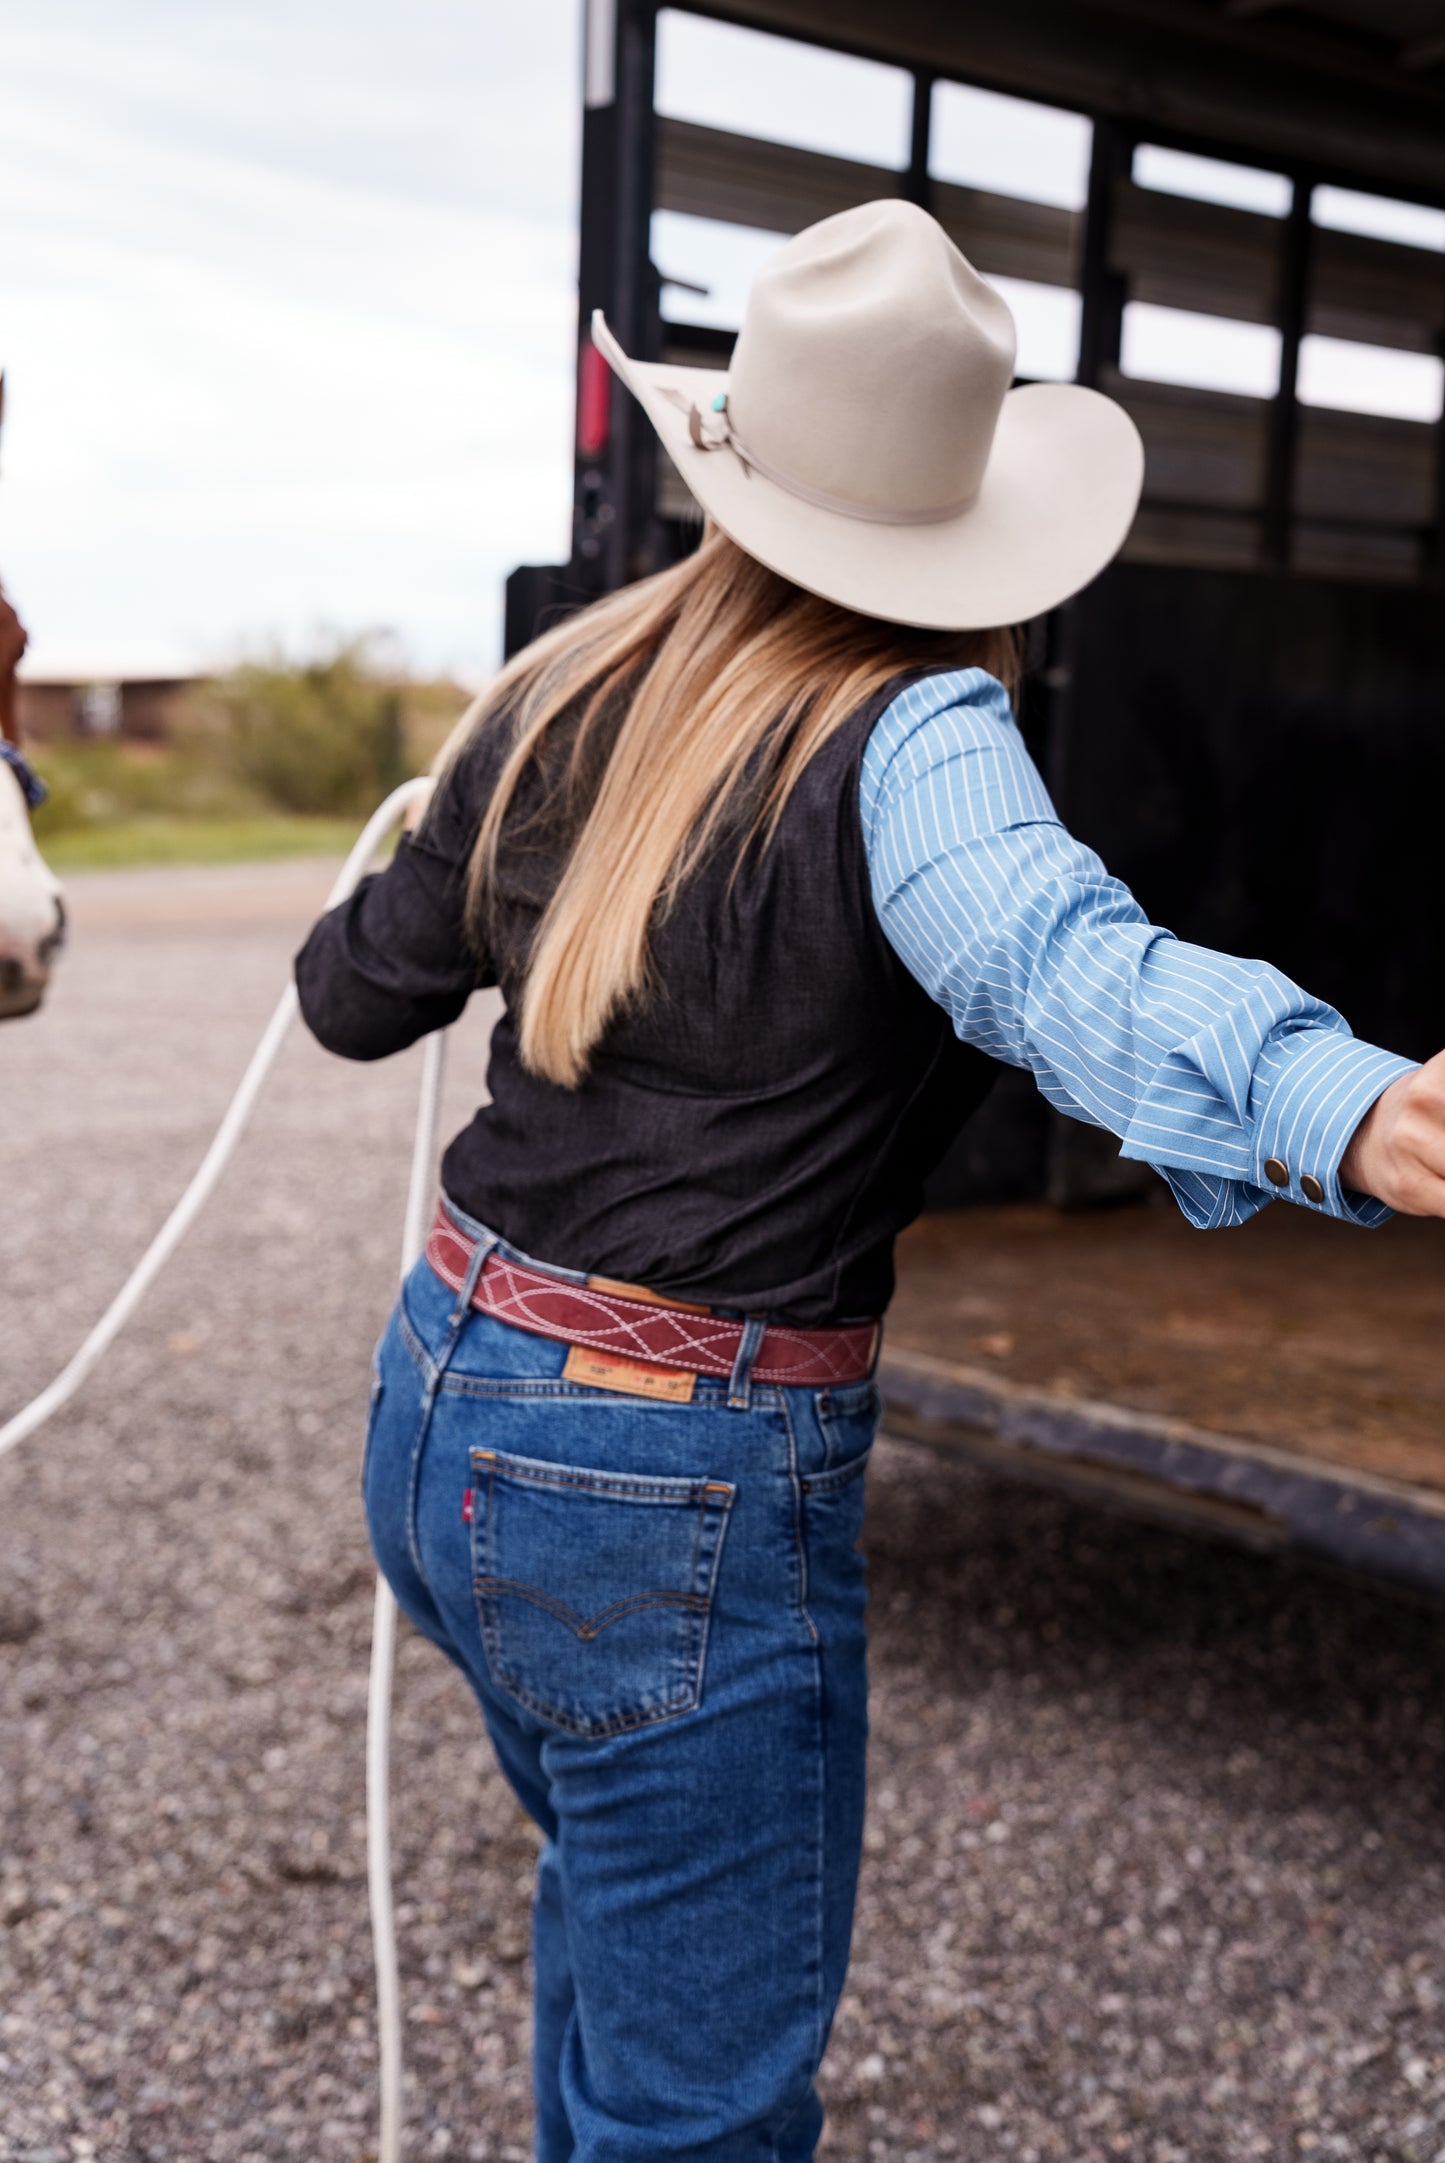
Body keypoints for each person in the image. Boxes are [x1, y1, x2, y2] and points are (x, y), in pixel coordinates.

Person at [294, 199, 1445, 2162]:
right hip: (667, 1482)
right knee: (702, 2102)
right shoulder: (922, 731)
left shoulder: (560, 692)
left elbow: (346, 996)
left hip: (446, 1400)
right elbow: (1057, 956)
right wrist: (1349, 1102)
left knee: (614, 1911)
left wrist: (425, 847)